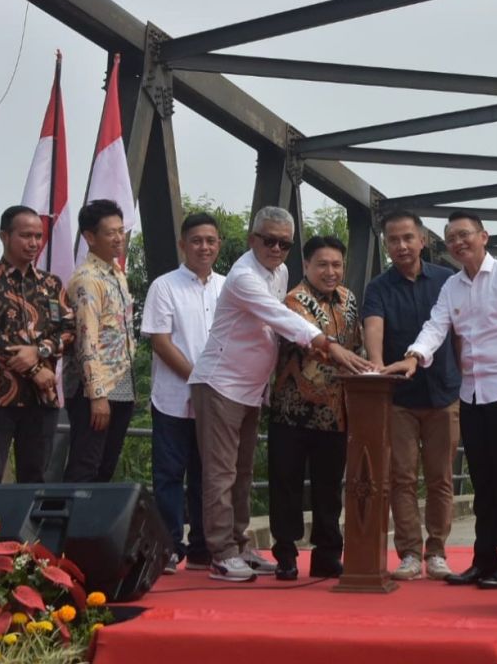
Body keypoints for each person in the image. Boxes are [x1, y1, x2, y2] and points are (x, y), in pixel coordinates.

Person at [189, 207, 373, 582]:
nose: (276, 248)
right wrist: (329, 345)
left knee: (241, 473)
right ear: (251, 239)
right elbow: (282, 318)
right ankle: (221, 553)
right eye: (268, 240)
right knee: (221, 474)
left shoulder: (280, 271)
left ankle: (240, 545)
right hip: (221, 383)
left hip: (252, 389)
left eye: (284, 243)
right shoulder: (243, 277)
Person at [383, 210, 497, 590]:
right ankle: (484, 557)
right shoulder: (452, 286)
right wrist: (414, 356)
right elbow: (436, 326)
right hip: (471, 392)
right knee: (481, 478)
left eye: (465, 234)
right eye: (451, 237)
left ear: (484, 236)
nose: (458, 243)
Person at [363, 210, 461, 582]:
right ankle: (407, 552)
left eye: (408, 238)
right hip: (400, 397)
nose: (401, 246)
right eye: (393, 239)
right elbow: (374, 328)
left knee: (440, 477)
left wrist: (464, 377)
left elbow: (460, 333)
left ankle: (436, 551)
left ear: (423, 240)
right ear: (385, 244)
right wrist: (376, 369)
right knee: (401, 477)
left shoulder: (447, 280)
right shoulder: (378, 287)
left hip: (443, 394)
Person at [0, 205, 74, 521]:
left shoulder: (51, 285)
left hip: (42, 398)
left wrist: (39, 352)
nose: (33, 243)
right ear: (5, 236)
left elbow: (69, 329)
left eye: (38, 236)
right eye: (25, 235)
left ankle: (32, 556)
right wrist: (33, 367)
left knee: (37, 479)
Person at [268, 235, 365, 581]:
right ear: (306, 265)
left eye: (337, 264)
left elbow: (357, 346)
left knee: (328, 487)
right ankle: (286, 554)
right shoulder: (293, 300)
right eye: (322, 264)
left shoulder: (349, 300)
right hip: (291, 410)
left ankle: (327, 554)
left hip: (335, 413)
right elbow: (315, 344)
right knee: (286, 483)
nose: (330, 271)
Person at [141, 212, 224, 574]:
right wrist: (198, 379)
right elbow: (160, 342)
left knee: (209, 475)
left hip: (220, 400)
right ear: (182, 244)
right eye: (196, 240)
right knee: (170, 474)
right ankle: (170, 546)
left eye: (210, 240)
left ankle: (205, 547)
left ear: (218, 244)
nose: (203, 246)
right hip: (174, 398)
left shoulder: (228, 286)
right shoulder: (164, 286)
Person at [63, 199, 138, 483]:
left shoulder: (116, 273)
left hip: (121, 380)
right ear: (90, 237)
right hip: (93, 388)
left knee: (105, 467)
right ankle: (71, 526)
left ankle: (92, 527)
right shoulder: (87, 278)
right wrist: (97, 395)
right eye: (111, 232)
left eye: (121, 230)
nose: (119, 238)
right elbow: (86, 340)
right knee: (86, 464)